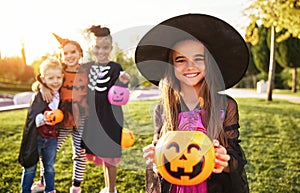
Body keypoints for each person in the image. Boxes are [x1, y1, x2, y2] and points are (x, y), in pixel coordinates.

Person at [135, 14, 249, 193]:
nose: (190, 66)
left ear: (209, 63)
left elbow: (235, 158)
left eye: (198, 58)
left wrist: (224, 160)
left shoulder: (226, 105)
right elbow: (160, 150)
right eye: (180, 60)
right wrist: (156, 160)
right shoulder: (163, 109)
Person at [31, 34, 88, 193]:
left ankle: (76, 186)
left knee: (80, 152)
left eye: (73, 52)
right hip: (61, 118)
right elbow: (38, 83)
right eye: (66, 53)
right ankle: (43, 181)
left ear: (80, 53)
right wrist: (43, 87)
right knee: (50, 150)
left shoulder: (87, 71)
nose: (69, 56)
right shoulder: (59, 73)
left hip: (81, 117)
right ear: (62, 56)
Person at [80, 25, 130, 193]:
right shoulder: (86, 67)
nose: (101, 51)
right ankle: (108, 186)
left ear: (111, 48)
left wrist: (124, 82)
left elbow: (120, 94)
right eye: (97, 47)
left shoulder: (116, 67)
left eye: (105, 47)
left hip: (111, 116)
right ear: (92, 47)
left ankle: (111, 190)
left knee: (110, 155)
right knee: (103, 155)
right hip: (93, 117)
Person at [18, 58, 64, 193]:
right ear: (43, 79)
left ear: (62, 77)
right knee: (30, 167)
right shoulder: (39, 95)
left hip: (52, 138)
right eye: (51, 78)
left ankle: (50, 189)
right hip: (36, 138)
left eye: (58, 77)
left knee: (49, 166)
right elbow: (33, 118)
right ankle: (25, 190)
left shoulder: (60, 94)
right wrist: (44, 118)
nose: (55, 81)